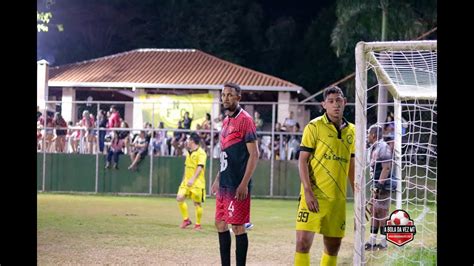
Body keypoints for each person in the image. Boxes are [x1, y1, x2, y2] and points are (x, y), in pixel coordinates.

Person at [294, 86, 355, 266]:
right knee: (302, 243)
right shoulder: (313, 127)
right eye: (331, 101)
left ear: (345, 103)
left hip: (337, 198)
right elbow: (302, 160)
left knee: (333, 246)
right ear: (323, 105)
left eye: (339, 100)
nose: (335, 104)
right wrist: (308, 191)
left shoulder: (353, 131)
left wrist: (359, 194)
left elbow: (352, 165)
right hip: (313, 196)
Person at [211, 82, 259, 266]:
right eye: (223, 95)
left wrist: (244, 183)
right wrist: (217, 179)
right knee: (220, 224)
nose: (225, 98)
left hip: (237, 184)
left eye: (230, 95)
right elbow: (225, 154)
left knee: (238, 227)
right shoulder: (225, 121)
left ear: (239, 97)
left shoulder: (245, 120)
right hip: (224, 182)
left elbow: (254, 155)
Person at [364, 124, 394, 251]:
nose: (367, 136)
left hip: (383, 185)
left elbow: (386, 168)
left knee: (382, 212)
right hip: (375, 183)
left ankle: (383, 242)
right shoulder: (374, 147)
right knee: (374, 212)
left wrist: (379, 186)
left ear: (373, 135)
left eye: (368, 134)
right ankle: (372, 240)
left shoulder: (383, 147)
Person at [176, 132, 207, 230]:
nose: (187, 142)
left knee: (196, 203)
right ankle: (186, 220)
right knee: (179, 197)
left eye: (188, 140)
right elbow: (186, 167)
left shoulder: (201, 152)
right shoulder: (188, 152)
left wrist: (193, 179)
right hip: (186, 181)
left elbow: (200, 167)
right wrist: (183, 180)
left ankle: (198, 224)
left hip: (197, 182)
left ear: (192, 141)